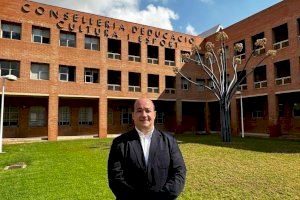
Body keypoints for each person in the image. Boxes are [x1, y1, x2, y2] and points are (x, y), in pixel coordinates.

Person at [108, 98, 186, 200]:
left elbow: (179, 172)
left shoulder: (169, 141)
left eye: (148, 110)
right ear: (133, 115)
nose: (144, 115)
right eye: (139, 111)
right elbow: (115, 178)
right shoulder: (119, 143)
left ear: (154, 114)